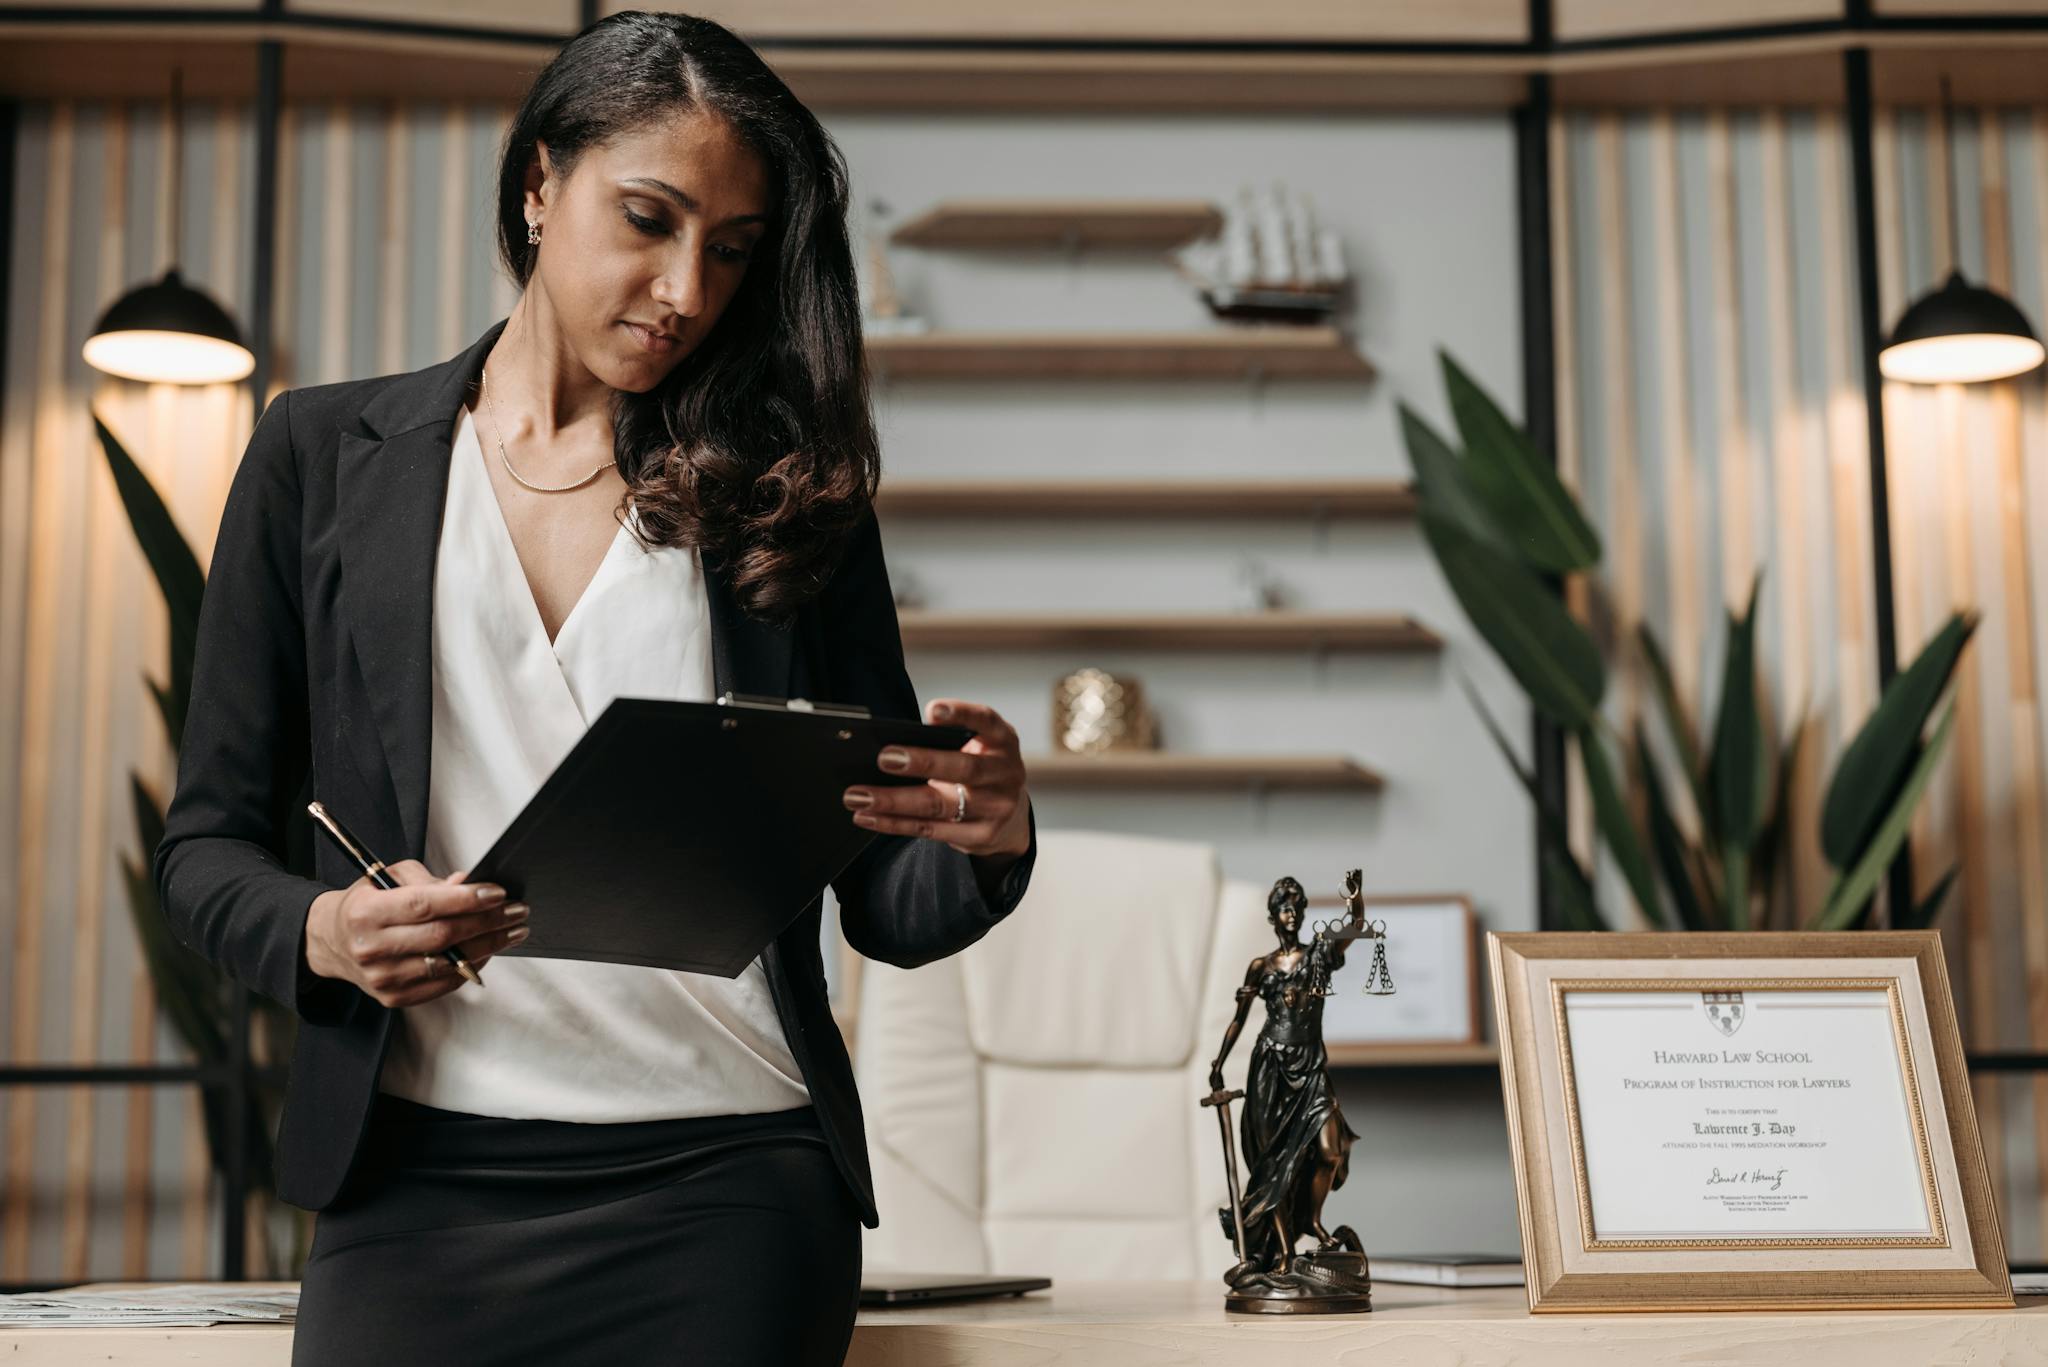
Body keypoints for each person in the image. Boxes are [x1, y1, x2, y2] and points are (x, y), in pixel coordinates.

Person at [150, 12, 1037, 1365]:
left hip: (727, 1181)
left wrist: (986, 839)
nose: (685, 287)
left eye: (730, 249)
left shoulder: (787, 493)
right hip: (414, 1185)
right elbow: (203, 850)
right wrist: (326, 929)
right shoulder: (319, 457)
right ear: (539, 181)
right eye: (647, 218)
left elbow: (881, 893)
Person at [1207, 873, 1362, 1284]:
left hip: (1309, 1067)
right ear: (1273, 917)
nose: (1291, 913)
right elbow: (1239, 1019)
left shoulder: (1319, 955)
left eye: (1296, 906)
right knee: (1275, 1165)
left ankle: (1312, 1220)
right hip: (1270, 1069)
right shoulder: (1261, 967)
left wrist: (1355, 901)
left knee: (1330, 1149)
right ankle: (1284, 1252)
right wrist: (1219, 1062)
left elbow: (1354, 928)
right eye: (1284, 908)